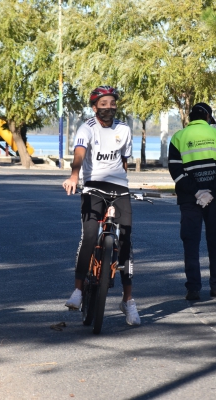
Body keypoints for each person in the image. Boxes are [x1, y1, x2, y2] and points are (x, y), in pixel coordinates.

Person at [61, 85, 140, 326]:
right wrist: (74, 176)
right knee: (89, 235)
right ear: (94, 107)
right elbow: (80, 153)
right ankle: (77, 290)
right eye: (103, 104)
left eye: (112, 103)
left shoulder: (124, 129)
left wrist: (124, 185)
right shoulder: (87, 127)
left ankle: (128, 301)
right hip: (93, 186)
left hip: (119, 188)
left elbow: (124, 161)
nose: (109, 108)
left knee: (125, 240)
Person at [167, 103, 216, 301]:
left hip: (189, 198)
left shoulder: (178, 137)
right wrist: (211, 192)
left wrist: (197, 192)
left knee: (191, 243)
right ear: (208, 118)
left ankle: (193, 289)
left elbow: (176, 171)